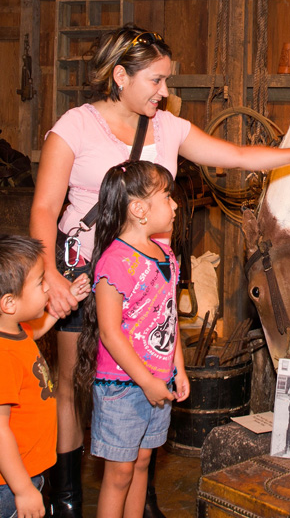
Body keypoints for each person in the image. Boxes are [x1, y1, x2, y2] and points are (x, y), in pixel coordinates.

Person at [29, 23, 290, 517]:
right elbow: (46, 208)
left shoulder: (168, 129)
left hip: (146, 278)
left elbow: (238, 155)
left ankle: (143, 492)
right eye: (155, 81)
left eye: (166, 81)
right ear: (120, 76)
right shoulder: (74, 126)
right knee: (75, 380)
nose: (165, 92)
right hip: (79, 271)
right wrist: (47, 271)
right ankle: (68, 497)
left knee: (149, 376)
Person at [73, 160, 189, 518]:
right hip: (124, 386)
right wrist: (147, 382)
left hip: (159, 382)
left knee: (142, 465)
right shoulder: (115, 262)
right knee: (119, 473)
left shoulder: (166, 253)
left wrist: (178, 370)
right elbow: (109, 332)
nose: (175, 205)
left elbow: (170, 318)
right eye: (167, 197)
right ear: (139, 209)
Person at [0, 234, 90, 518]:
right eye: (40, 282)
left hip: (19, 474)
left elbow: (39, 329)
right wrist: (22, 489)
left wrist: (70, 298)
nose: (47, 288)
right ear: (8, 303)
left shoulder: (9, 330)